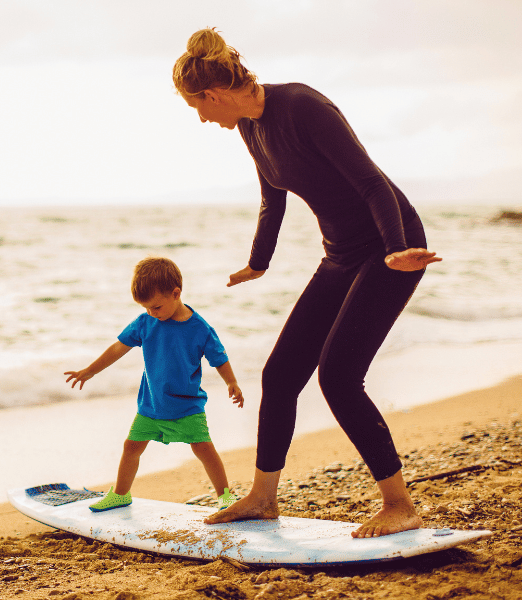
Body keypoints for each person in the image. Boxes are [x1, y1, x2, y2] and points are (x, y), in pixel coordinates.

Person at [172, 28, 442, 538]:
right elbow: (273, 198)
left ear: (212, 94)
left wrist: (395, 250)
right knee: (279, 376)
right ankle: (262, 499)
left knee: (338, 376)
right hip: (339, 255)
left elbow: (371, 182)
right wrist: (258, 262)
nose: (204, 120)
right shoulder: (251, 128)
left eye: (198, 109)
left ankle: (399, 504)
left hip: (391, 247)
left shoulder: (303, 106)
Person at [64, 256, 245, 512]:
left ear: (175, 293)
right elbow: (118, 348)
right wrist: (90, 371)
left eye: (156, 307)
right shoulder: (145, 322)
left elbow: (219, 358)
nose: (151, 313)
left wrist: (232, 382)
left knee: (204, 449)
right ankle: (121, 494)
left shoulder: (200, 328)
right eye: (146, 308)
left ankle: (225, 496)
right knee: (131, 447)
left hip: (187, 406)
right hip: (151, 405)